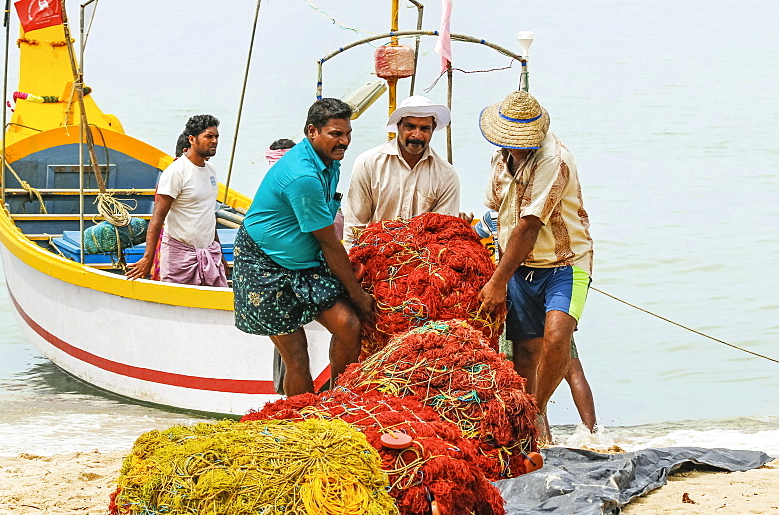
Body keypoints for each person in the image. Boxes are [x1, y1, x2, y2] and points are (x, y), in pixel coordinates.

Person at [233, 98, 375, 396]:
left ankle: (339, 400)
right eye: (336, 134)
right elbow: (329, 243)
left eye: (348, 133)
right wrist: (358, 294)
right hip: (263, 264)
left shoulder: (329, 161)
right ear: (312, 131)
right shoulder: (303, 176)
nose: (344, 141)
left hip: (304, 259)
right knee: (297, 355)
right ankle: (301, 421)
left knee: (348, 326)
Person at [476, 91, 594, 443]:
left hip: (565, 263)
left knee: (558, 338)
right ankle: (531, 433)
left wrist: (498, 281)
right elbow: (497, 215)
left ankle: (536, 409)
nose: (518, 149)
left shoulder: (553, 160)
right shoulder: (500, 161)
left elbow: (529, 225)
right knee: (524, 354)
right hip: (520, 267)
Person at [475, 209, 598, 433]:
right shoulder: (541, 210)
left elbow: (473, 236)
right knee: (569, 366)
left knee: (531, 365)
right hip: (543, 288)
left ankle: (543, 432)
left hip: (513, 287)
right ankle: (588, 432)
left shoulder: (492, 217)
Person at [342, 95, 461, 246]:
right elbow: (354, 226)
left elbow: (443, 232)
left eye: (424, 128)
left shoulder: (447, 174)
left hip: (424, 261)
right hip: (375, 257)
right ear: (398, 126)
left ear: (432, 130)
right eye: (410, 127)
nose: (417, 135)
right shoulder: (368, 163)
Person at [125, 115, 227, 287]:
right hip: (180, 256)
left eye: (216, 137)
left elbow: (208, 216)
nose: (214, 141)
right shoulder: (176, 172)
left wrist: (221, 256)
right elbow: (157, 218)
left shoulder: (211, 170)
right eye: (209, 136)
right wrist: (147, 259)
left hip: (210, 254)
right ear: (192, 139)